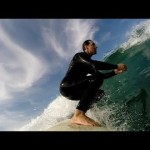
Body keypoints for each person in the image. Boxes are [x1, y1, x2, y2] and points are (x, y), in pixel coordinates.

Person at [59, 40, 127, 127]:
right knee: (96, 79)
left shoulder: (88, 65)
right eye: (93, 44)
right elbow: (94, 65)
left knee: (99, 94)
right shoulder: (79, 56)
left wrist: (114, 72)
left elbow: (101, 76)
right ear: (86, 47)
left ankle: (78, 113)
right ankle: (79, 114)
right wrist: (116, 66)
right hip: (67, 86)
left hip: (74, 90)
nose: (96, 46)